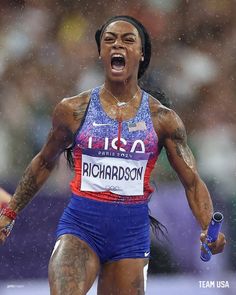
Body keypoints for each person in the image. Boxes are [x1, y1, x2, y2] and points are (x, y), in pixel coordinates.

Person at [0, 15, 226, 295]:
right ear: (101, 53)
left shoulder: (162, 119)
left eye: (128, 40)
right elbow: (44, 161)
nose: (117, 44)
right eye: (109, 40)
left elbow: (192, 182)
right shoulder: (73, 110)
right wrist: (10, 213)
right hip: (80, 228)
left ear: (141, 54)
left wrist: (208, 228)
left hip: (130, 237)